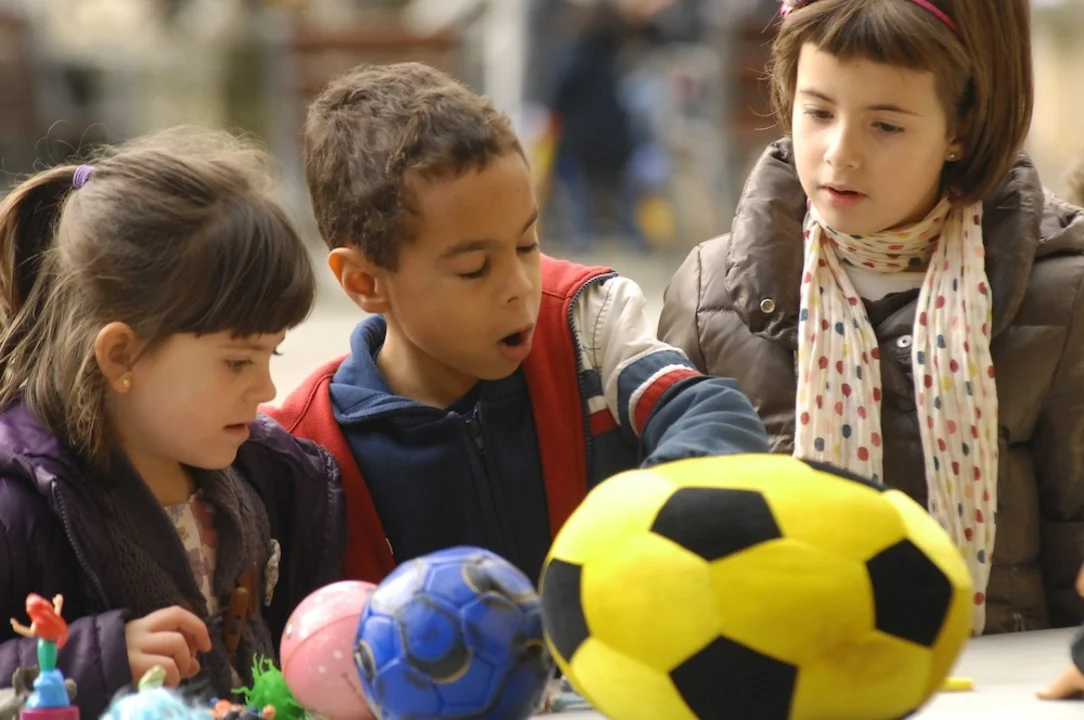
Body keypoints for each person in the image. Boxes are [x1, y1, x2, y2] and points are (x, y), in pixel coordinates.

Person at [658, 0, 1084, 637]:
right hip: (786, 672)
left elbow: (1073, 540)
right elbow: (671, 541)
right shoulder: (708, 291)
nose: (840, 153)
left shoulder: (1061, 295)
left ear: (961, 129)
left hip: (1001, 676)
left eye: (885, 125)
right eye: (818, 112)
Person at [267, 61, 769, 588]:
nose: (520, 286)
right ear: (365, 281)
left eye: (527, 244)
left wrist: (639, 529)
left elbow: (711, 413)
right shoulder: (304, 453)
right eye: (474, 268)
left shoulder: (585, 327)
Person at [0, 128, 346, 717]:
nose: (266, 389)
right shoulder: (19, 509)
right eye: (237, 362)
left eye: (273, 355)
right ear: (121, 357)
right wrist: (97, 658)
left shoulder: (273, 479)